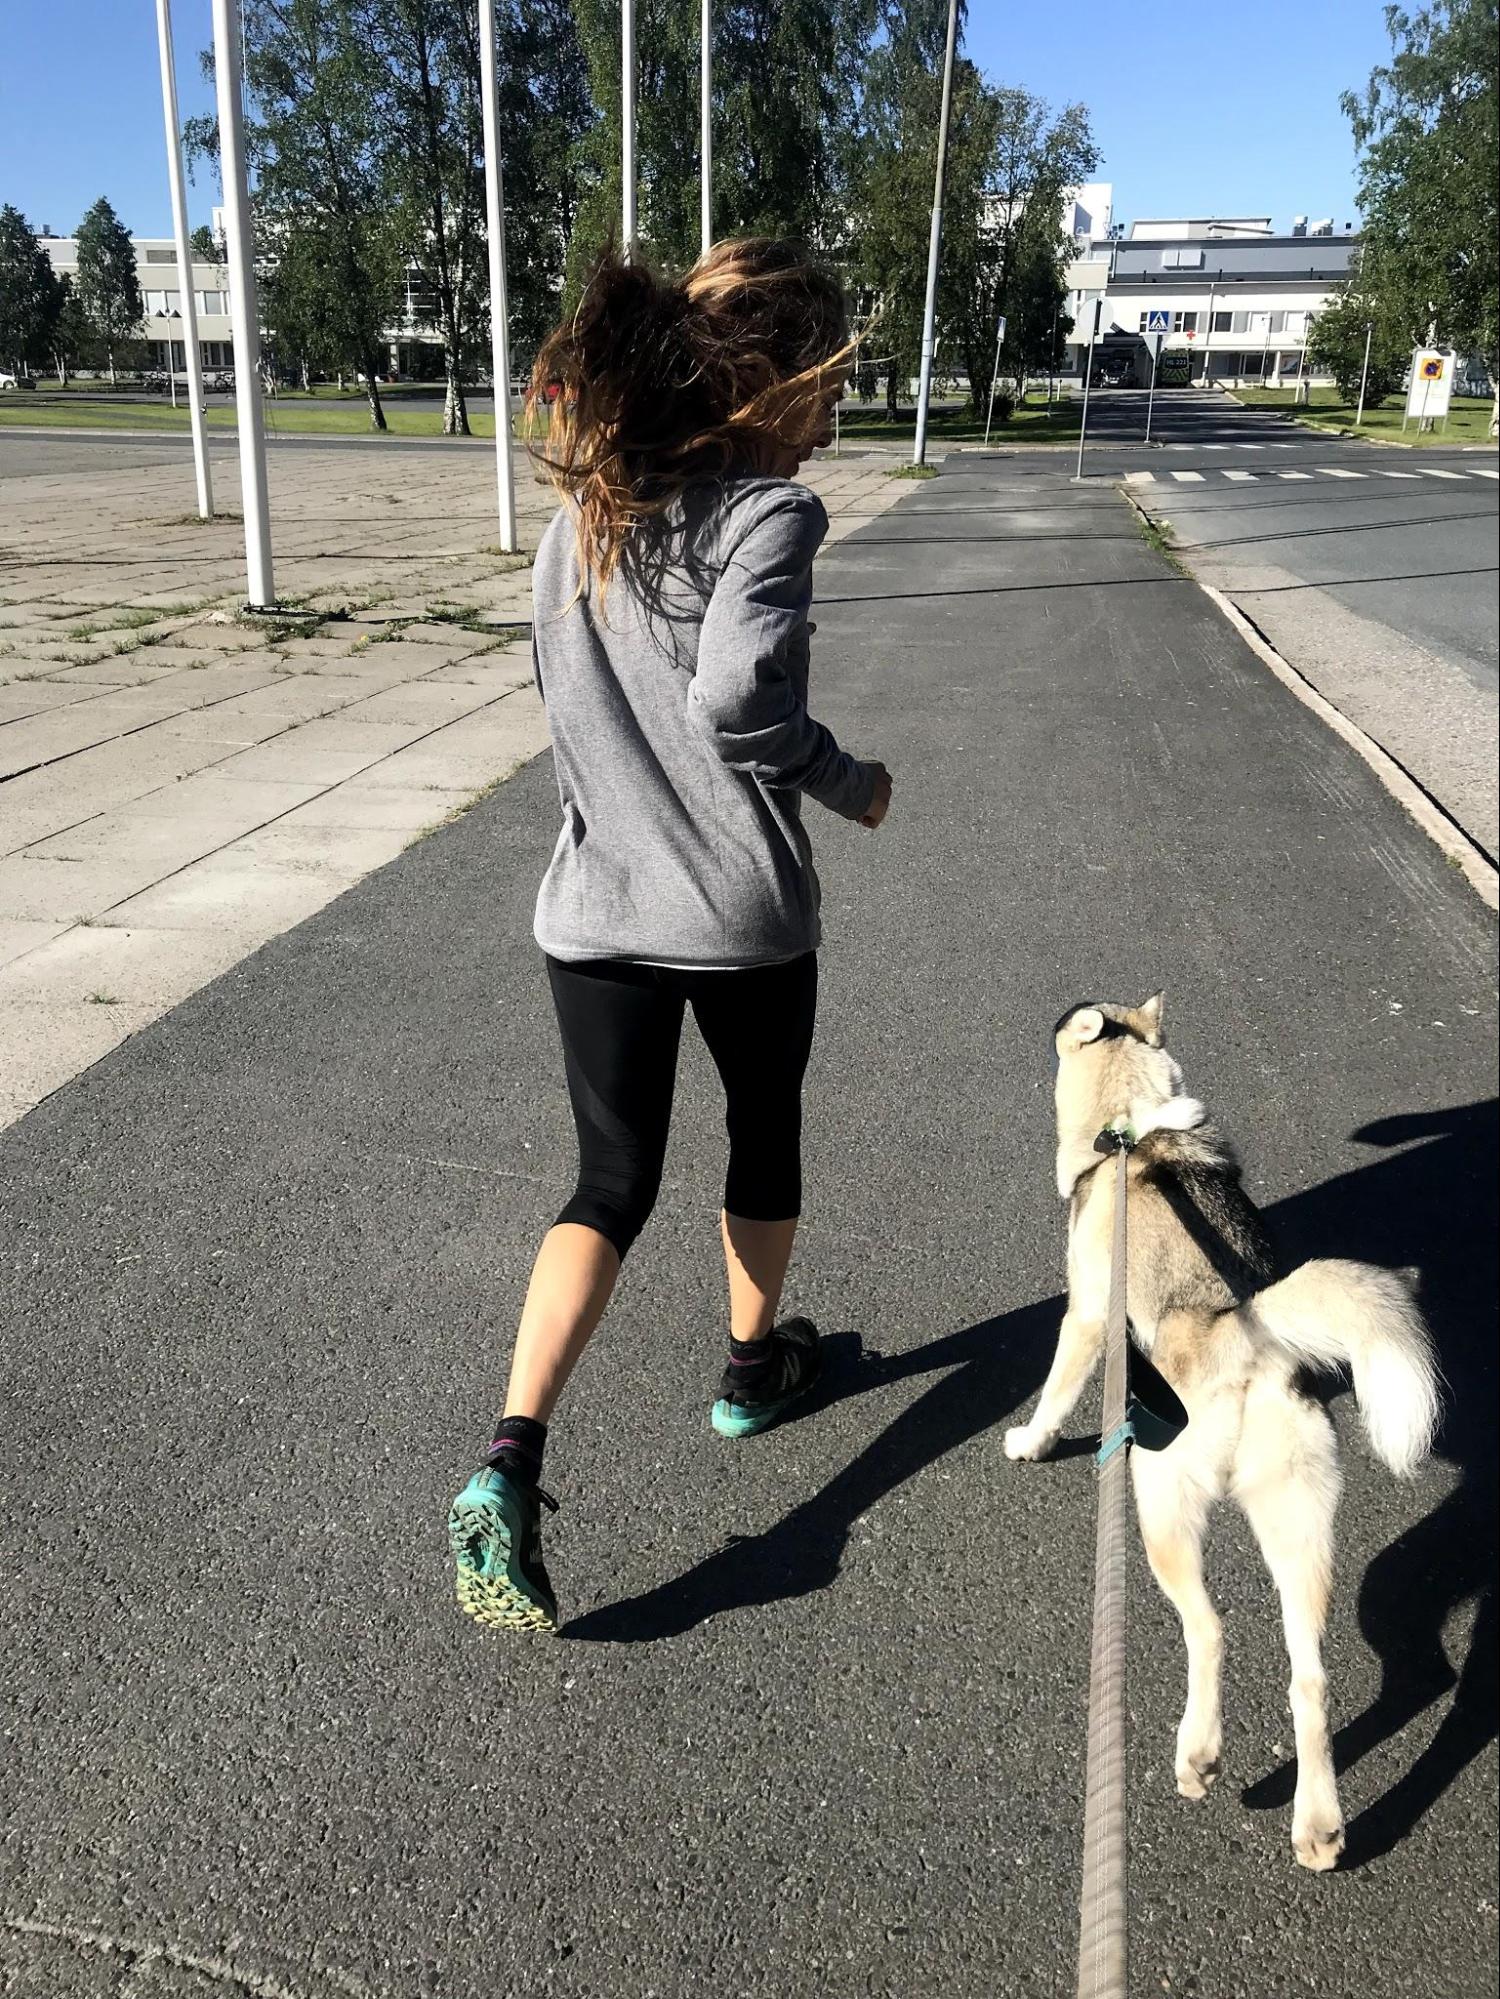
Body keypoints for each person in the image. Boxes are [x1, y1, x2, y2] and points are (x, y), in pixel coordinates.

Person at [447, 239, 893, 1634]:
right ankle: (751, 1372)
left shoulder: (580, 520)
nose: (837, 418)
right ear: (774, 383)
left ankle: (508, 1462)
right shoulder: (771, 518)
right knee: (762, 1137)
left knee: (607, 1187)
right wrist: (847, 780)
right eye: (832, 386)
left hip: (594, 911)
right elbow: (737, 709)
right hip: (743, 917)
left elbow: (572, 710)